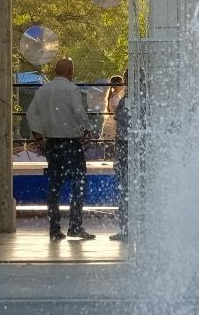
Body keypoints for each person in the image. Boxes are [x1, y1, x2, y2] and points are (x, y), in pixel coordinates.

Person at [23, 57, 93, 240]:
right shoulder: (72, 90)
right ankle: (75, 226)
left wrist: (38, 137)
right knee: (79, 184)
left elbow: (31, 114)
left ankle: (54, 228)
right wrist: (87, 128)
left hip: (52, 143)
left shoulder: (42, 90)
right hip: (71, 143)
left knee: (54, 186)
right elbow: (78, 111)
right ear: (70, 71)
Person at [107, 76, 132, 243]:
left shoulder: (128, 98)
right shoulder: (128, 97)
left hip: (125, 146)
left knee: (125, 189)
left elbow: (120, 119)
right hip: (129, 146)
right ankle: (127, 227)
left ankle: (125, 228)